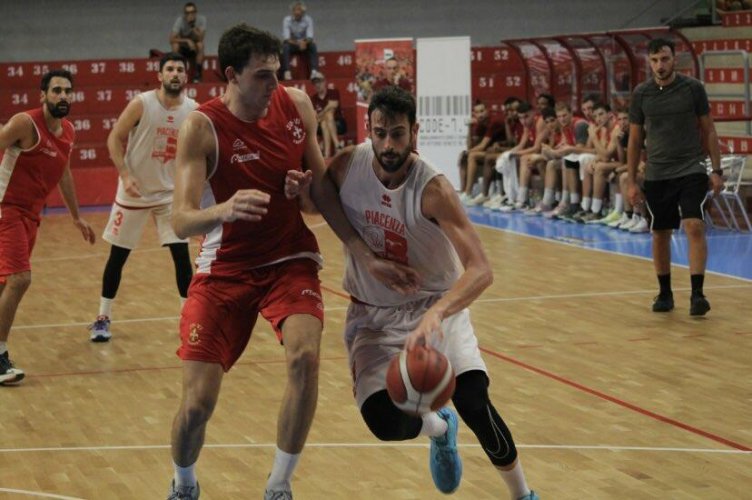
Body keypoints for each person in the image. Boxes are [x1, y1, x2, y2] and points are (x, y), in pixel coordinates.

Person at [166, 24, 417, 500]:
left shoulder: (296, 106)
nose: (273, 86)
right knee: (197, 405)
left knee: (304, 358)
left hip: (289, 260)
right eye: (262, 76)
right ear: (231, 75)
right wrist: (223, 209)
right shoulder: (202, 126)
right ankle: (183, 483)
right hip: (225, 269)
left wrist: (357, 247)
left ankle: (279, 486)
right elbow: (180, 221)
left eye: (277, 74)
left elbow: (318, 193)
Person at [321, 86, 539, 499]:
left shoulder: (434, 189)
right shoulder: (348, 165)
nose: (388, 144)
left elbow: (481, 270)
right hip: (374, 315)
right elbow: (320, 199)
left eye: (398, 134)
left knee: (475, 401)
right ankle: (439, 428)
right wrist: (364, 255)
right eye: (380, 132)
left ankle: (523, 494)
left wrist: (437, 313)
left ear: (415, 132)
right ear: (368, 128)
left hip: (434, 308)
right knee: (387, 424)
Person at [88, 53, 197, 342]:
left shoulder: (194, 110)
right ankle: (103, 317)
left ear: (186, 77)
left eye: (180, 70)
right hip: (133, 191)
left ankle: (188, 318)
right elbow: (114, 137)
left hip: (169, 194)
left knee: (181, 255)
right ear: (160, 76)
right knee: (118, 256)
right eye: (170, 69)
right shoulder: (142, 103)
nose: (175, 73)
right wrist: (124, 174)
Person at [0, 70, 96, 385]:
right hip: (6, 209)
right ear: (43, 95)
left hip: (31, 215)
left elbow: (64, 172)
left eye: (68, 91)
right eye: (56, 90)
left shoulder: (68, 131)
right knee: (20, 279)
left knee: (4, 284)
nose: (63, 96)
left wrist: (76, 217)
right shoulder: (24, 124)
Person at [627, 37, 723, 316]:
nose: (660, 65)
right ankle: (665, 292)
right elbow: (634, 141)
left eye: (665, 59)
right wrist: (632, 181)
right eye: (655, 60)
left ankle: (697, 294)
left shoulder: (693, 89)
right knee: (660, 232)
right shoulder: (641, 94)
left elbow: (709, 130)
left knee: (694, 225)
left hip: (691, 167)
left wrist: (716, 170)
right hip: (657, 173)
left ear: (675, 59)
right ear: (649, 61)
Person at [281, 1, 322, 81]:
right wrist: (298, 43)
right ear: (292, 11)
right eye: (295, 10)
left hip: (305, 44)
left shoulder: (308, 20)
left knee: (313, 45)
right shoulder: (287, 20)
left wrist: (304, 42)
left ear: (303, 12)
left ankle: (314, 71)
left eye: (299, 10)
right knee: (285, 47)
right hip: (293, 44)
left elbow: (310, 36)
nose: (297, 12)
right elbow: (286, 38)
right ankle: (287, 72)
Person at [309, 72, 346, 158]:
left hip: (338, 123)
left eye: (319, 82)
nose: (317, 85)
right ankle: (336, 146)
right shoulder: (313, 98)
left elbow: (334, 105)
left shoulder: (333, 92)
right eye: (315, 83)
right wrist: (328, 106)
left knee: (329, 115)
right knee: (324, 122)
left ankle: (327, 153)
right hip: (322, 125)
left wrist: (322, 113)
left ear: (324, 82)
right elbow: (315, 117)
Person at [170, 2, 206, 83]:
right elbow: (171, 39)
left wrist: (192, 26)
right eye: (187, 13)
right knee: (175, 45)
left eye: (192, 12)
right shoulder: (180, 21)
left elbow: (201, 38)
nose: (190, 15)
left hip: (194, 46)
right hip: (183, 45)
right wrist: (187, 40)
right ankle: (175, 71)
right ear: (184, 14)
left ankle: (197, 74)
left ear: (195, 12)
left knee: (200, 45)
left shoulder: (201, 20)